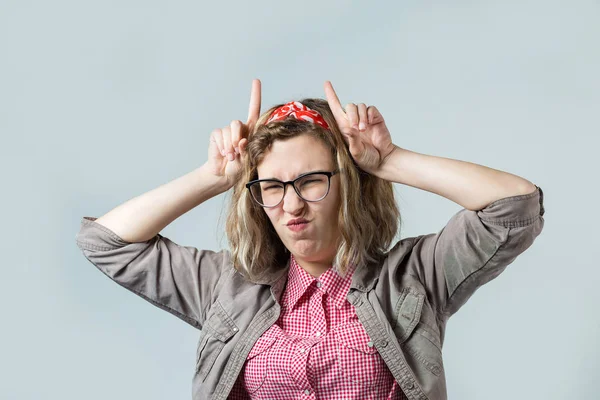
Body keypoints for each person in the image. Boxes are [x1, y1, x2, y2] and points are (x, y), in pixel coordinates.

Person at [75, 79, 545, 400]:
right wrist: (212, 177)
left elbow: (515, 207)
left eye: (310, 181)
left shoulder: (413, 277)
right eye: (272, 187)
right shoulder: (226, 287)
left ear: (348, 181)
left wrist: (390, 161)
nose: (292, 205)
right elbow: (105, 242)